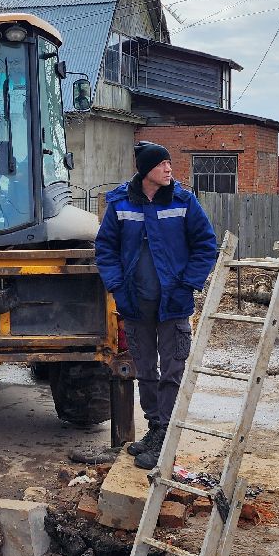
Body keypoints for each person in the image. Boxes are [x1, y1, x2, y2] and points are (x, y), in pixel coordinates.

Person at [94, 142, 219, 468]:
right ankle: (154, 428)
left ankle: (165, 435)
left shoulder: (183, 202)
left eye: (169, 163)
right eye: (162, 163)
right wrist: (117, 288)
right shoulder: (121, 204)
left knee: (173, 370)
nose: (169, 169)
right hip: (136, 303)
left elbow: (206, 246)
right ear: (145, 169)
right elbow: (105, 249)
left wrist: (188, 284)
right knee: (146, 370)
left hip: (172, 303)